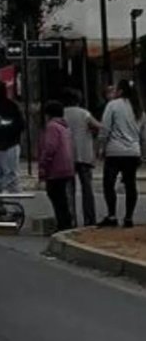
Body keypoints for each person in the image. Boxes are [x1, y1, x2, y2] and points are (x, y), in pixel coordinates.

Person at [98, 79, 144, 228]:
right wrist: (142, 152)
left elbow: (105, 128)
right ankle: (128, 217)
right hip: (133, 151)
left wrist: (101, 147)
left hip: (114, 151)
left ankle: (112, 215)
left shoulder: (112, 105)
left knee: (109, 183)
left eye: (117, 89)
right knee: (131, 184)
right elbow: (144, 135)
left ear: (121, 91)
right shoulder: (139, 110)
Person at [63, 89, 102, 226]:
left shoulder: (62, 114)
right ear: (79, 100)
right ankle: (89, 219)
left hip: (67, 155)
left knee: (69, 189)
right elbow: (98, 126)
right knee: (87, 188)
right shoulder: (84, 113)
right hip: (84, 154)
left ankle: (71, 219)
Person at [39, 100, 75, 233]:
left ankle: (63, 223)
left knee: (56, 196)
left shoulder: (52, 127)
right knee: (62, 197)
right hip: (67, 166)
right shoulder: (64, 127)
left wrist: (43, 165)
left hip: (56, 167)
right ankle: (66, 222)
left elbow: (50, 147)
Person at [0, 79, 26, 193]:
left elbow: (20, 125)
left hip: (10, 145)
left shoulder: (10, 106)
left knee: (11, 177)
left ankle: (15, 206)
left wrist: (5, 127)